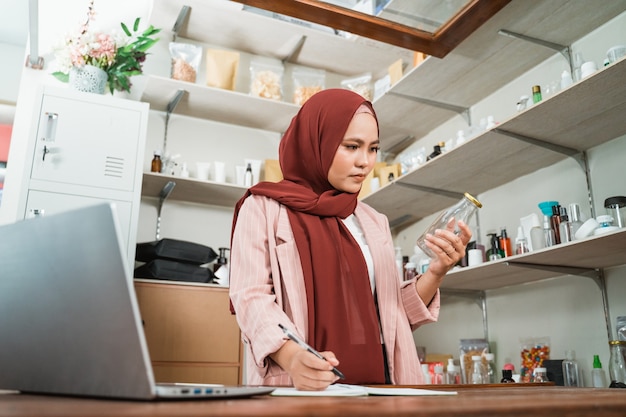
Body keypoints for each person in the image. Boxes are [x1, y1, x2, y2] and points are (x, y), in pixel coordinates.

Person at [229, 88, 471, 390]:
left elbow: (390, 314)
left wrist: (436, 272)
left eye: (372, 149)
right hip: (299, 384)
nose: (365, 162)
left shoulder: (373, 220)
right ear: (316, 142)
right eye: (352, 146)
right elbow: (251, 298)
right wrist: (292, 357)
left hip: (378, 386)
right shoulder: (262, 208)